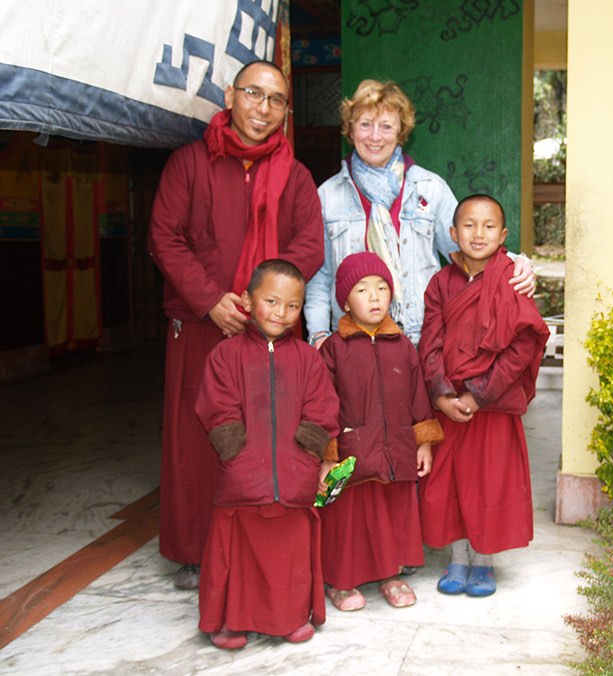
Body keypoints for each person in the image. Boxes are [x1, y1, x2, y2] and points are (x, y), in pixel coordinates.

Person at [148, 60, 325, 589]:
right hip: (202, 324)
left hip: (269, 333)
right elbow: (165, 237)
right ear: (230, 95)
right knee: (197, 435)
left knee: (265, 436)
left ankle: (262, 543)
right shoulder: (189, 163)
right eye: (254, 94)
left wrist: (265, 304)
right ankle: (195, 550)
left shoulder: (295, 176)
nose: (263, 109)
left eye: (276, 101)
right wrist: (209, 300)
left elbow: (308, 247)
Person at [304, 79, 535, 349]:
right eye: (365, 124)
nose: (375, 136)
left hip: (421, 341)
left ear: (401, 131)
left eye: (386, 126)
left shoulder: (429, 188)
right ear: (351, 129)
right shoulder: (328, 195)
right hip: (351, 343)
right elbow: (320, 277)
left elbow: (469, 248)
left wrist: (517, 264)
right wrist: (319, 335)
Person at [193, 259, 340, 649]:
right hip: (243, 477)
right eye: (271, 301)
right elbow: (216, 408)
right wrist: (237, 456)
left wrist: (308, 459)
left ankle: (290, 618)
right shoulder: (225, 355)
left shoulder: (309, 359)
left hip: (294, 478)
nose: (281, 313)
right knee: (238, 557)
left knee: (288, 558)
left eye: (293, 306)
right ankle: (231, 620)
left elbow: (323, 412)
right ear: (246, 299)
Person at [417, 194, 550, 598]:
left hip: (491, 406)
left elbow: (524, 344)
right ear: (453, 233)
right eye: (469, 225)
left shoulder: (512, 278)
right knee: (454, 482)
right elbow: (430, 342)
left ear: (503, 234)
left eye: (489, 226)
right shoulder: (441, 283)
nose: (479, 233)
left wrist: (479, 394)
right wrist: (441, 395)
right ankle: (458, 559)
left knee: (490, 485)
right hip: (450, 407)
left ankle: (485, 562)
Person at [317, 252, 444, 611]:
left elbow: (419, 397)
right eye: (362, 289)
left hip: (396, 450)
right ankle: (340, 582)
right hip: (351, 452)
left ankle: (391, 575)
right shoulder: (333, 350)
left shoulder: (403, 346)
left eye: (382, 287)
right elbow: (322, 406)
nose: (374, 297)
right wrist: (327, 457)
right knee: (348, 519)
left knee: (392, 514)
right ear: (344, 300)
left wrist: (424, 443)